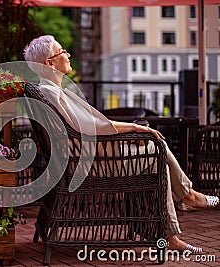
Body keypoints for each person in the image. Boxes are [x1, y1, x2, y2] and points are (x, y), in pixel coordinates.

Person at [23, 35, 219, 253]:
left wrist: (132, 129)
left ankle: (177, 220)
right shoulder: (52, 92)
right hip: (91, 166)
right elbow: (89, 126)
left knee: (158, 156)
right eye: (62, 51)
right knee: (158, 149)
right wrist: (135, 128)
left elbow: (88, 125)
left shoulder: (47, 91)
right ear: (50, 63)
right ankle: (187, 200)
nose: (68, 55)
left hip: (82, 160)